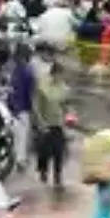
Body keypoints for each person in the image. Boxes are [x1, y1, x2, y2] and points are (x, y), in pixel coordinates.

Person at [32, 58, 70, 187]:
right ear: (53, 73)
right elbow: (36, 105)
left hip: (58, 123)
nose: (60, 77)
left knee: (58, 151)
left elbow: (65, 105)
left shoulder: (64, 89)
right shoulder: (42, 85)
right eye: (58, 74)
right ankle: (43, 170)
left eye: (62, 75)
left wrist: (68, 117)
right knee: (44, 151)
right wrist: (40, 122)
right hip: (45, 123)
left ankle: (58, 176)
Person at [7, 43, 35, 172]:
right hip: (23, 108)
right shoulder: (27, 71)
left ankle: (15, 158)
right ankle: (20, 160)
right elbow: (30, 93)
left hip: (13, 107)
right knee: (22, 136)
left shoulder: (16, 70)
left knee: (16, 135)